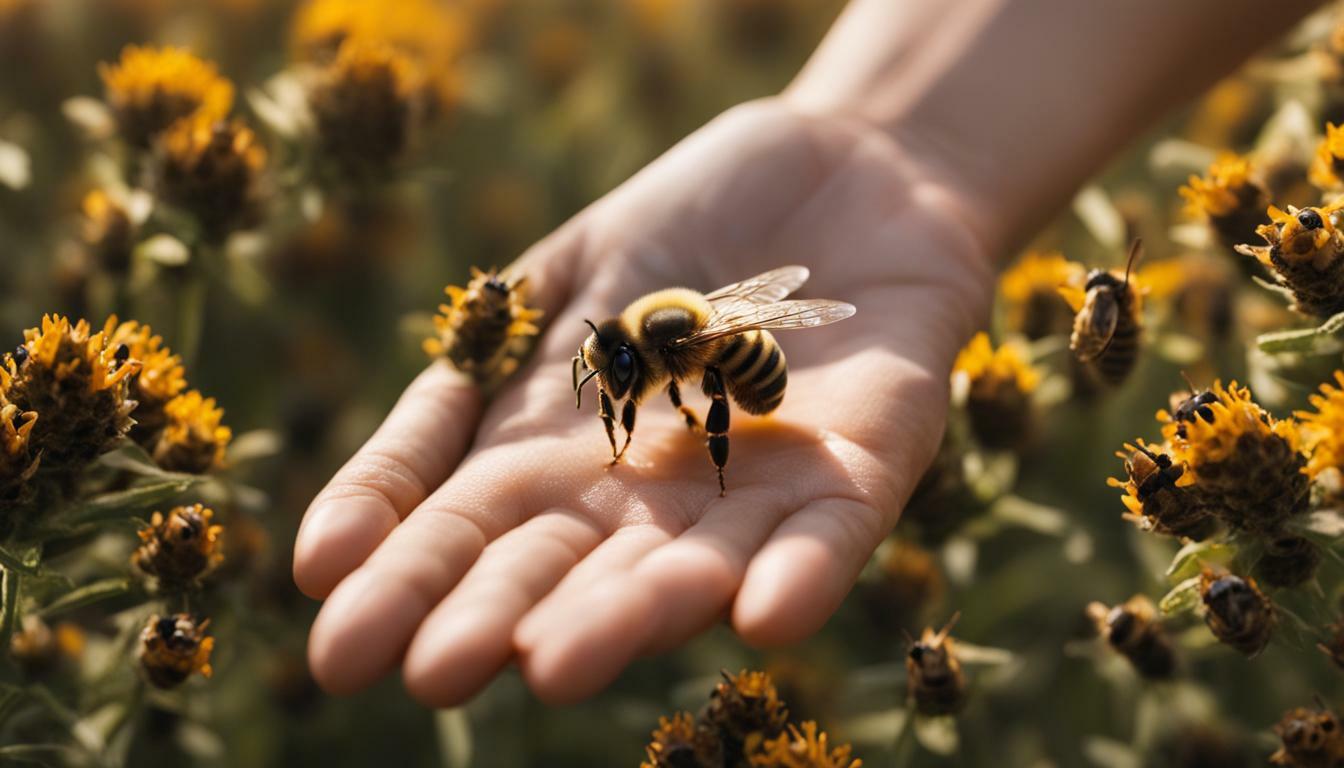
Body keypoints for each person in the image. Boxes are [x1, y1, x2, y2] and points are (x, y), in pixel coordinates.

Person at [293, 0, 1320, 706]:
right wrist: (890, 122)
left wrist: (900, 135)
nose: (613, 384)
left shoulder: (689, 345)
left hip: (760, 369)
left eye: (618, 374)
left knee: (717, 396)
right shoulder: (649, 343)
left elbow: (709, 359)